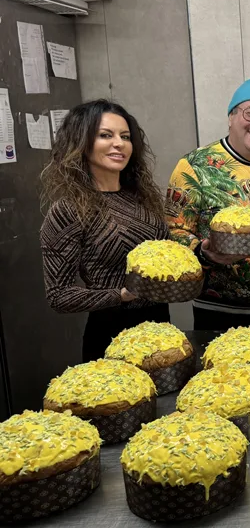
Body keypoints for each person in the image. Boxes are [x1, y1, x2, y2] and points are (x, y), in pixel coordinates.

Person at [40, 99, 169, 362]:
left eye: (125, 136)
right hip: (110, 334)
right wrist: (119, 295)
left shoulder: (143, 198)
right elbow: (59, 295)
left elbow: (166, 259)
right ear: (82, 143)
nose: (119, 144)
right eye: (105, 135)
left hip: (161, 329)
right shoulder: (68, 210)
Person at [166, 77, 250, 330]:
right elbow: (173, 230)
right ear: (231, 116)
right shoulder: (195, 165)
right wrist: (202, 251)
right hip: (219, 312)